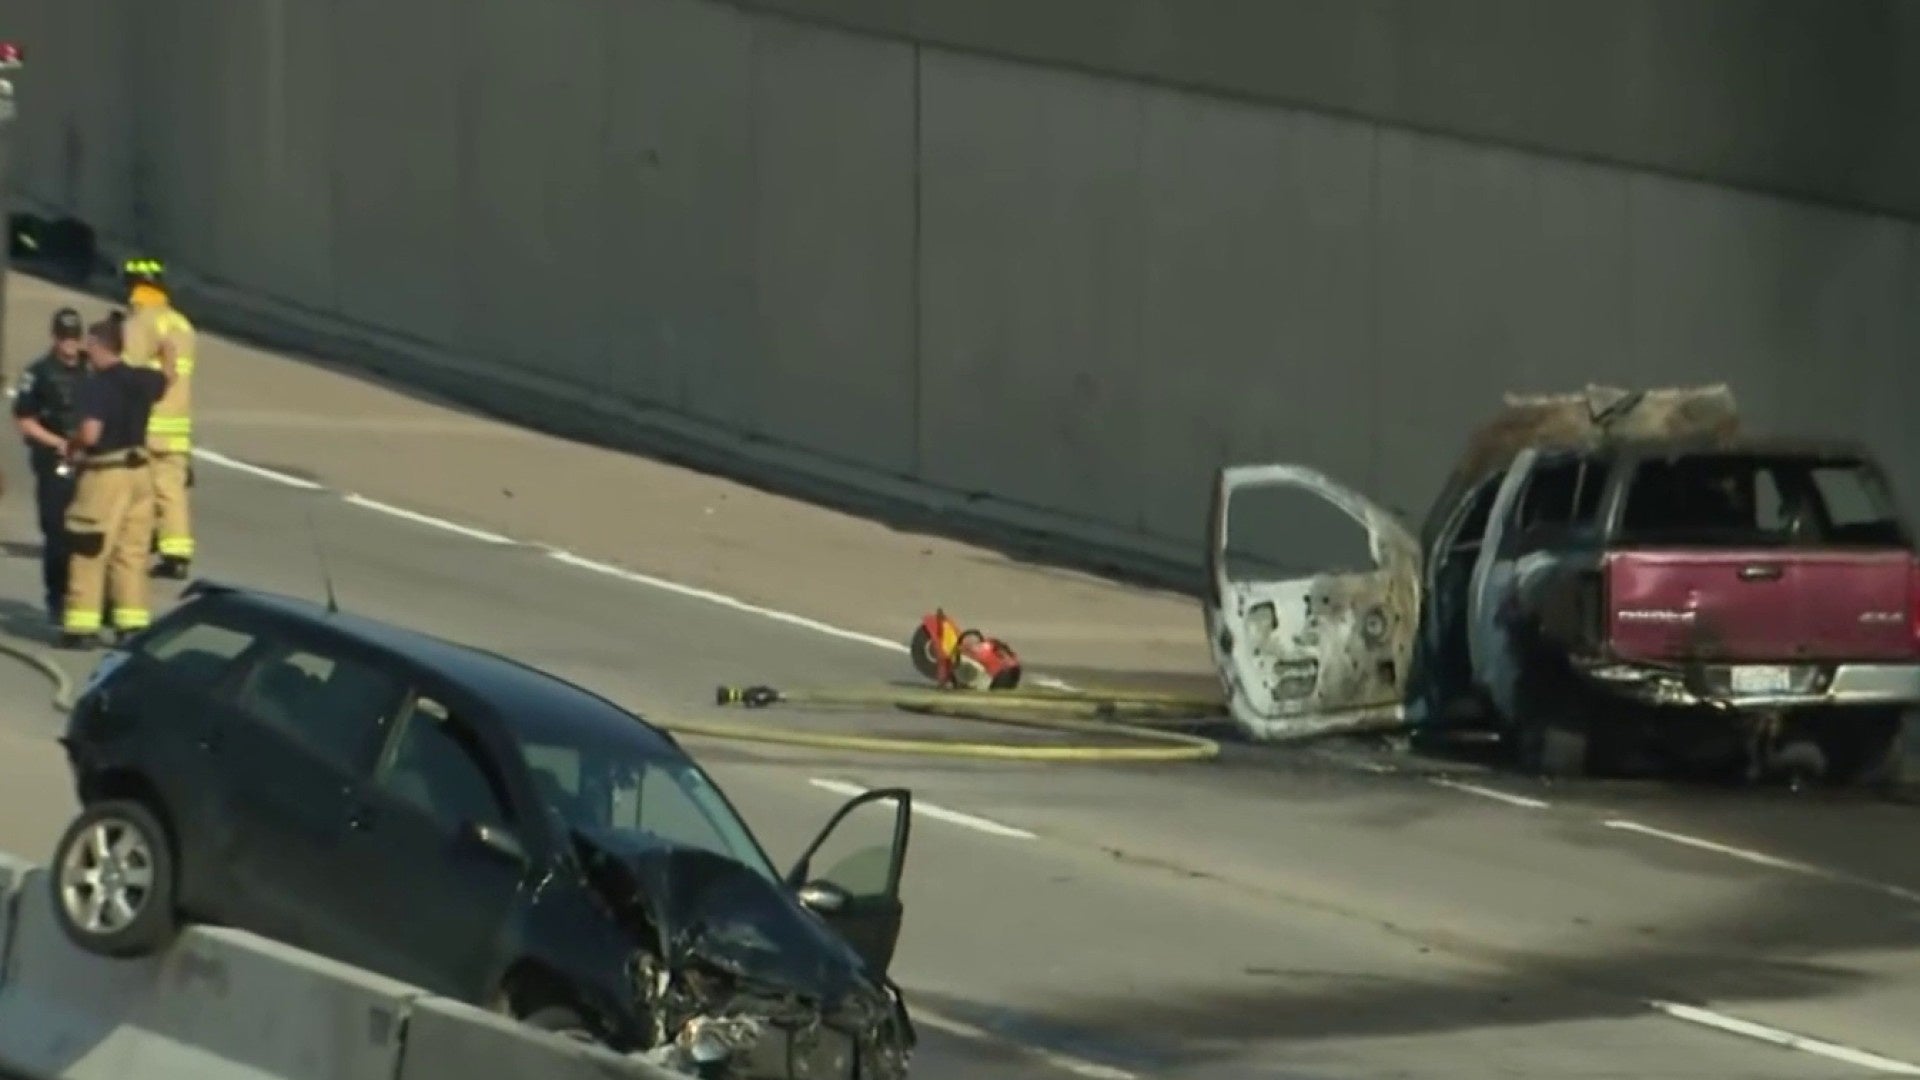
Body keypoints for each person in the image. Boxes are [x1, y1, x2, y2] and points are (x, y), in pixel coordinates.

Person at [57, 316, 175, 650]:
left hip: (106, 473)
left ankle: (81, 627)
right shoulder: (142, 379)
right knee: (132, 552)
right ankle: (131, 624)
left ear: (97, 345)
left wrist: (72, 445)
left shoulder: (98, 385)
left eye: (87, 345)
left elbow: (91, 433)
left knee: (88, 548)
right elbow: (168, 378)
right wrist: (167, 351)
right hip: (141, 474)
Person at [12, 307, 93, 623]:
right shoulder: (39, 373)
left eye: (74, 337)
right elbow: (24, 420)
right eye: (64, 337)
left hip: (89, 461)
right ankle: (57, 598)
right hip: (54, 459)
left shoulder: (92, 369)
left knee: (89, 533)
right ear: (54, 337)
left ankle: (87, 599)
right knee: (56, 531)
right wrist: (58, 443)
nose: (70, 344)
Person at [117, 257, 197, 579]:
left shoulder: (140, 322)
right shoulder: (182, 324)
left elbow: (129, 372)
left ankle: (137, 541)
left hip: (147, 422)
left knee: (138, 487)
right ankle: (177, 552)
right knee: (171, 489)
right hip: (177, 423)